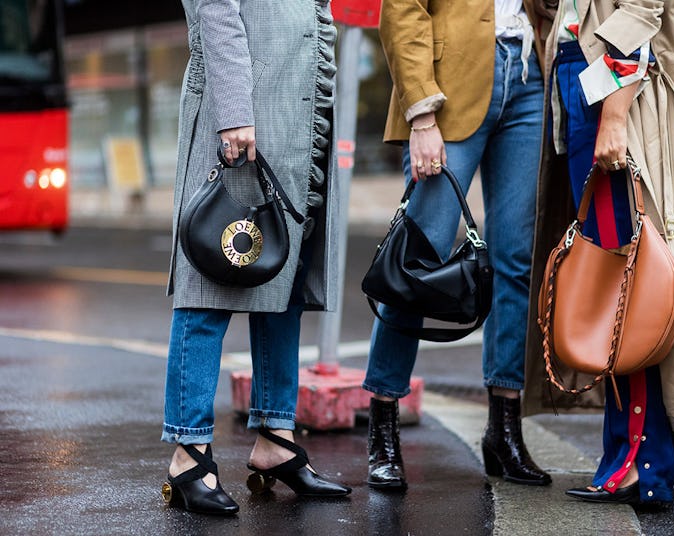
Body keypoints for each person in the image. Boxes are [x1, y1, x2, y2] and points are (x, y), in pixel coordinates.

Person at [524, 0, 674, 506]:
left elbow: (641, 10)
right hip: (586, 76)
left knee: (626, 281)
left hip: (617, 90)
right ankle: (671, 454)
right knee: (627, 269)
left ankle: (639, 460)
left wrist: (614, 115)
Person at [160, 0, 350, 516]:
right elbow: (216, 9)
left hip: (297, 119)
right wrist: (235, 113)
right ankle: (188, 452)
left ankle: (275, 440)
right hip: (241, 115)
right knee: (210, 280)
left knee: (281, 280)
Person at [362, 0, 555, 490]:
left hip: (528, 79)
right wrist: (421, 114)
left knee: (514, 262)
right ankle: (383, 422)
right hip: (450, 85)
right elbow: (402, 10)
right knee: (415, 263)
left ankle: (504, 429)